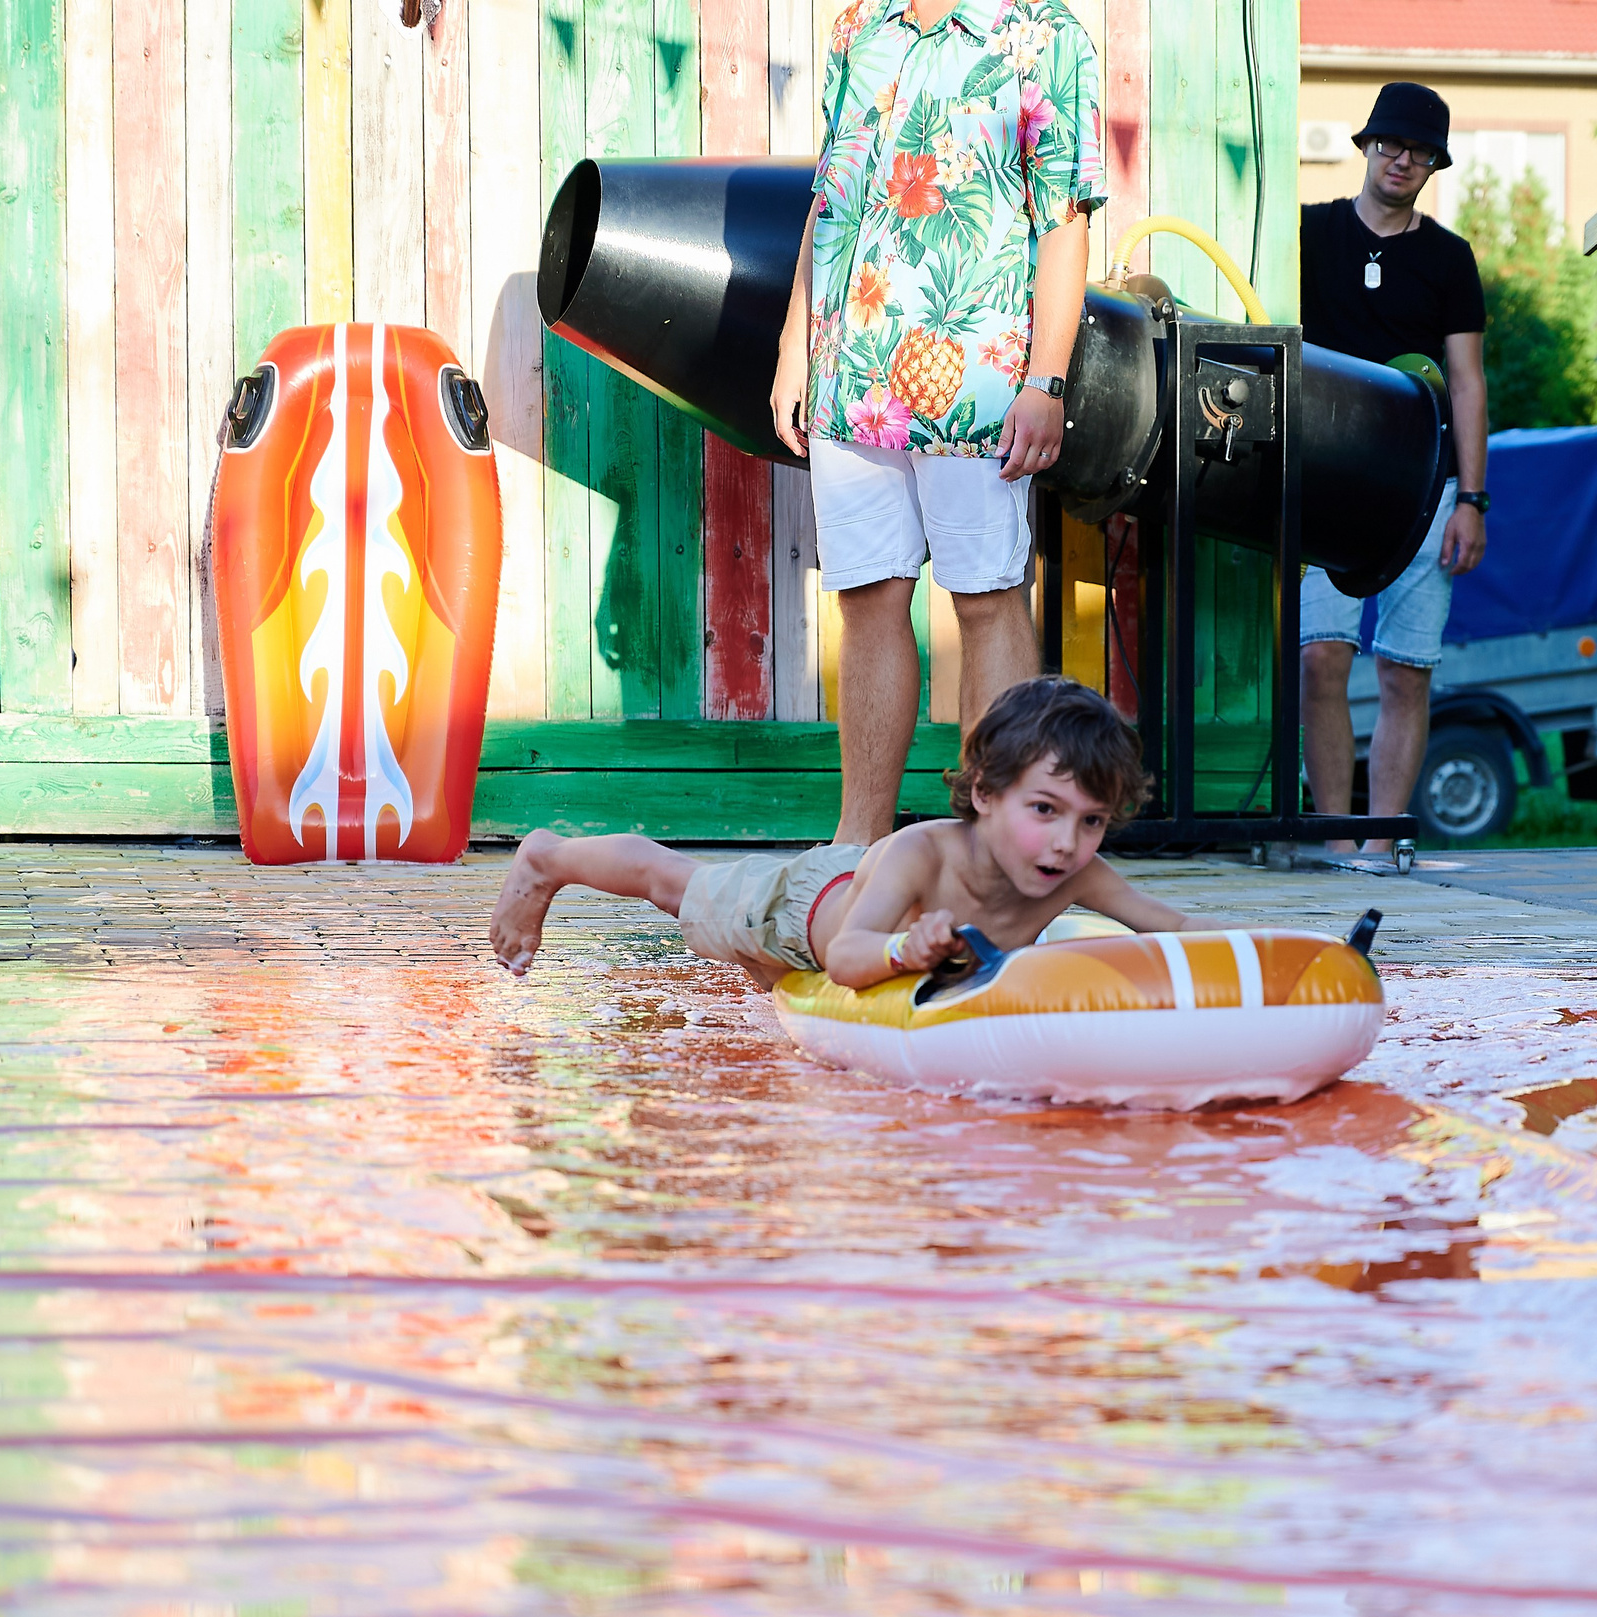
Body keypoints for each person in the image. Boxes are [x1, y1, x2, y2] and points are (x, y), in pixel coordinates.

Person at [770, 0, 1107, 846]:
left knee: (988, 600)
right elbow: (829, 200)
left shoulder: (1045, 34)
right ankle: (858, 846)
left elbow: (1064, 221)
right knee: (869, 598)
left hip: (982, 383)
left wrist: (1048, 379)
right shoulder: (860, 28)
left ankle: (998, 849)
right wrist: (791, 345)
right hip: (855, 375)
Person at [488, 676, 1232, 987]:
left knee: (772, 998)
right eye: (1045, 810)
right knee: (670, 883)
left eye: (1092, 821)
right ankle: (548, 858)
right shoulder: (927, 849)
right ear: (984, 793)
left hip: (862, 898)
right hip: (808, 908)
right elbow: (847, 957)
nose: (1069, 842)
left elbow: (1170, 925)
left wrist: (1293, 957)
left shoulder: (1073, 870)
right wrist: (907, 950)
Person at [1297, 82, 1489, 854]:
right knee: (1320, 661)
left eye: (1419, 150)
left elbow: (1468, 379)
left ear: (1434, 163)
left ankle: (1382, 847)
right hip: (1323, 486)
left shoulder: (1449, 258)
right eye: (1390, 143)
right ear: (1367, 147)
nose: (1402, 159)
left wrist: (1473, 498)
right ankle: (1338, 840)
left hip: (1424, 490)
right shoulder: (1307, 233)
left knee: (1406, 670)